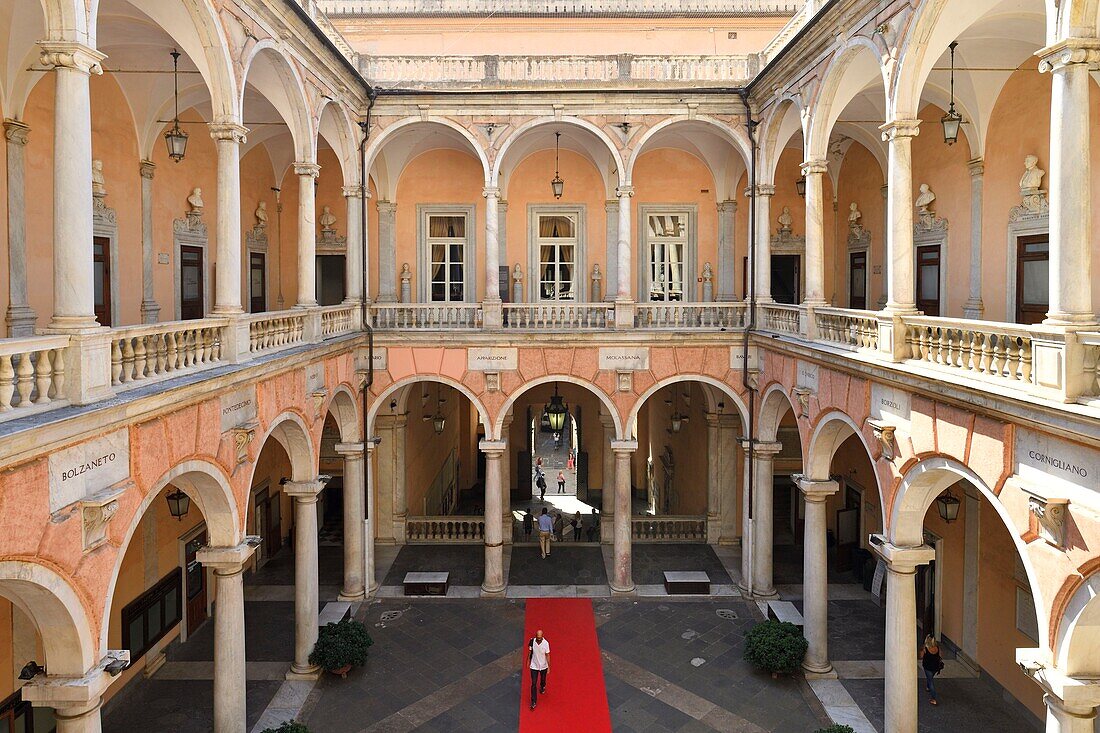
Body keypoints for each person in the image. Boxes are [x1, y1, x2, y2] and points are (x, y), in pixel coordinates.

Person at [527, 629, 550, 710]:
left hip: (543, 665)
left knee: (543, 679)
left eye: (540, 637)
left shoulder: (546, 643)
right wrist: (528, 661)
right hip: (534, 665)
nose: (538, 639)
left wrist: (549, 667)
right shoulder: (532, 641)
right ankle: (533, 701)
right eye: (537, 637)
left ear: (542, 636)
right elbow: (530, 651)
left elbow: (547, 655)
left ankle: (542, 686)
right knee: (533, 683)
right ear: (536, 636)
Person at [919, 635, 944, 706]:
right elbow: (941, 656)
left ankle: (934, 699)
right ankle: (927, 687)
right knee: (930, 677)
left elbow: (921, 656)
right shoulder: (937, 648)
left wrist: (922, 650)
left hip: (928, 667)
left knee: (931, 682)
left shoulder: (925, 648)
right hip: (935, 668)